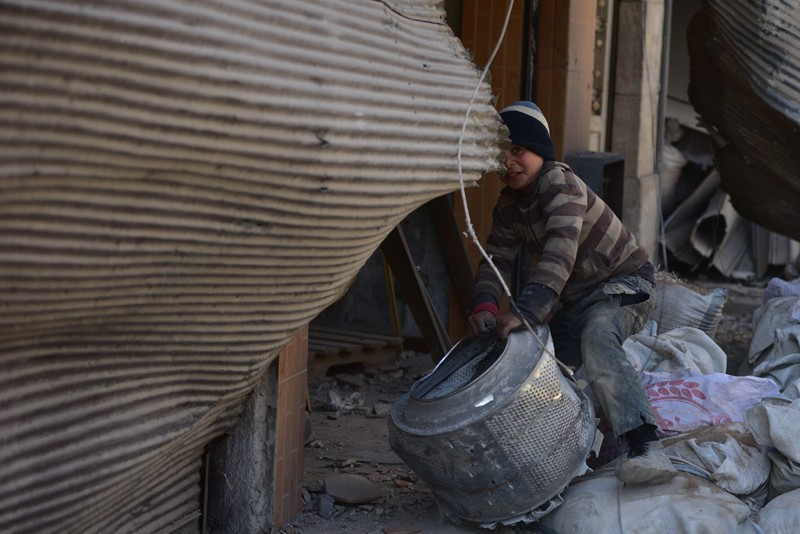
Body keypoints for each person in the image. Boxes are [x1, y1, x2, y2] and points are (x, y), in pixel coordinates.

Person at [466, 101, 676, 485]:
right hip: (574, 298)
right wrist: (485, 304)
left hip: (624, 284)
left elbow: (559, 254)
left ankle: (646, 445)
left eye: (518, 150)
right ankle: (552, 456)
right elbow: (495, 259)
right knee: (541, 367)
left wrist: (527, 312)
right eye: (500, 153)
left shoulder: (559, 184)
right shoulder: (509, 206)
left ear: (539, 151)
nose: (508, 162)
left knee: (597, 337)